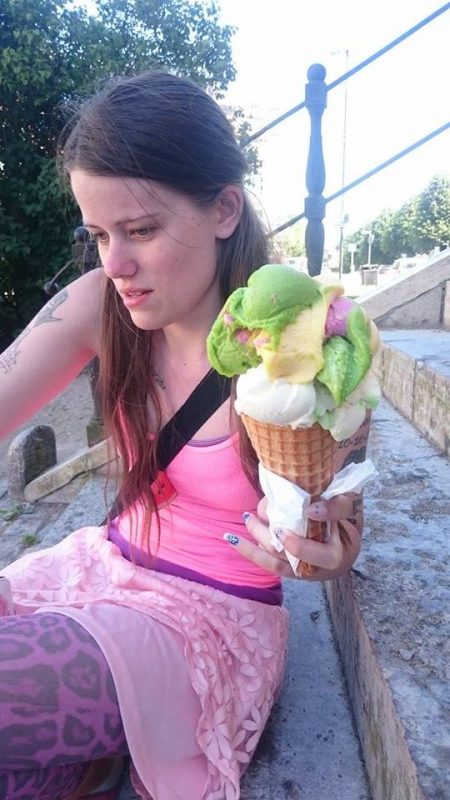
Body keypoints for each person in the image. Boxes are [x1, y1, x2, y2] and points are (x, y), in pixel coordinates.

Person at [0, 70, 364, 800]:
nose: (115, 264)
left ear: (224, 209)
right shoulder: (99, 304)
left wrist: (329, 550)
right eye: (98, 235)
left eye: (140, 230)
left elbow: (338, 519)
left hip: (205, 624)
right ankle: (91, 758)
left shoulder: (304, 349)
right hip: (94, 571)